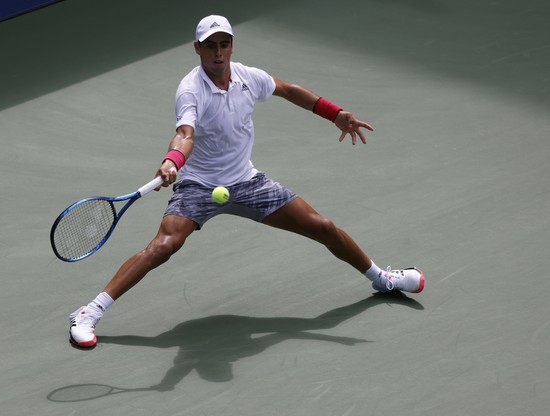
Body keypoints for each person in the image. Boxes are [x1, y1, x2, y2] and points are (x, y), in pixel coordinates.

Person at [69, 15, 424, 348]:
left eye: (224, 44)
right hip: (199, 186)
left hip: (246, 181)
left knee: (323, 226)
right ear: (198, 49)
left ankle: (383, 279)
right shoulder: (190, 90)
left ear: (232, 46)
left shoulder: (246, 77)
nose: (218, 52)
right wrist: (172, 160)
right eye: (211, 45)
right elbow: (185, 133)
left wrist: (334, 114)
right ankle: (89, 311)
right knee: (163, 245)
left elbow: (287, 89)